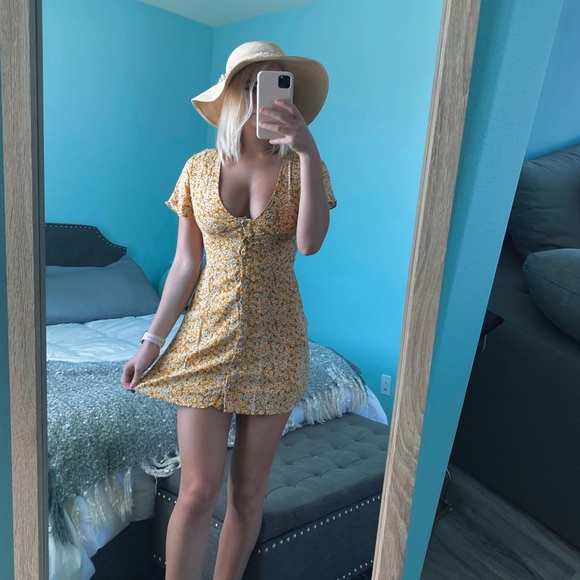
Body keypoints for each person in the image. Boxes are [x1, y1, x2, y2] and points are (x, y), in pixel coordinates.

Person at [121, 40, 336, 580]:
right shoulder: (197, 168)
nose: (268, 96)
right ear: (235, 94)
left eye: (278, 82)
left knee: (248, 494)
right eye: (256, 83)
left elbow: (309, 244)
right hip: (204, 340)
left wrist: (308, 153)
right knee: (197, 492)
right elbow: (184, 266)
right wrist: (150, 344)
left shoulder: (304, 168)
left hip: (277, 344)